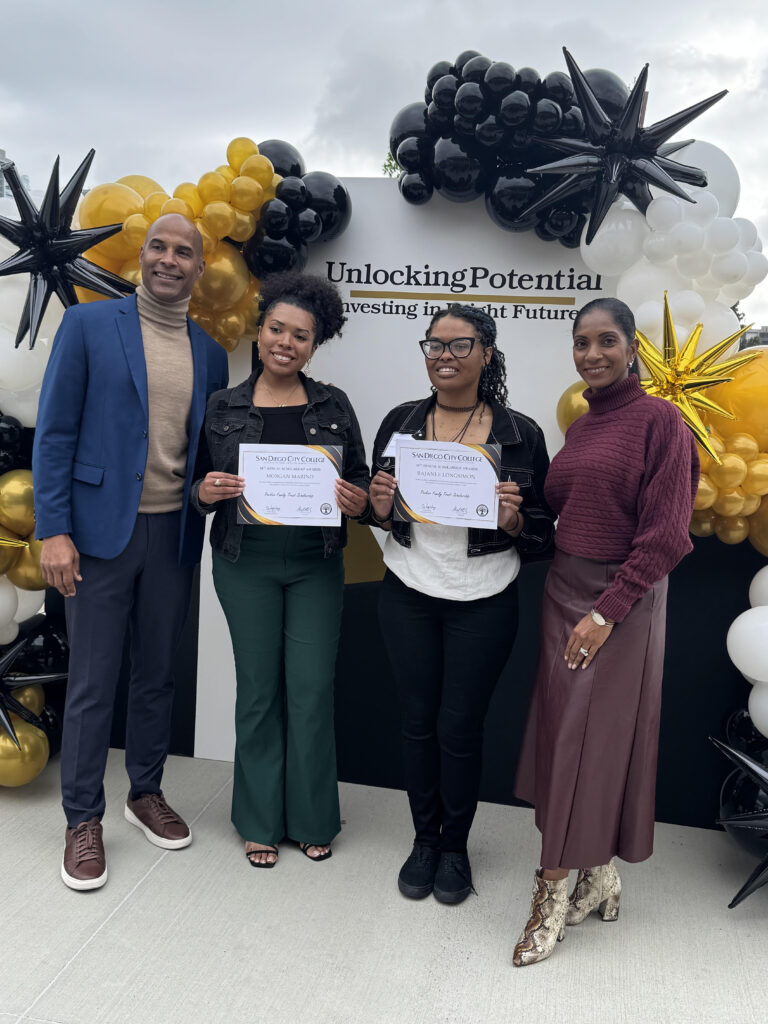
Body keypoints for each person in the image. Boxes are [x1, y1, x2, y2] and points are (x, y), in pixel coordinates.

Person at [32, 214, 229, 890]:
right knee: (93, 680)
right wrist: (53, 530)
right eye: (159, 247)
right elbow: (54, 433)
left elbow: (203, 454)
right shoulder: (88, 325)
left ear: (200, 267)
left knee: (157, 676)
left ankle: (145, 792)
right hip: (97, 536)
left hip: (173, 534)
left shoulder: (210, 353)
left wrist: (208, 492)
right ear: (141, 255)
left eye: (184, 252)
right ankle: (82, 819)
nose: (170, 259)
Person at [511, 297, 700, 966]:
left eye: (606, 340)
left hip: (620, 601)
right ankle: (599, 877)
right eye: (581, 342)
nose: (592, 353)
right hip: (563, 590)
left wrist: (606, 611)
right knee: (568, 740)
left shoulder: (661, 422)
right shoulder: (586, 425)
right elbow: (568, 506)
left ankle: (551, 895)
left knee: (583, 742)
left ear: (632, 348)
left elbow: (667, 537)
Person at [367, 304, 555, 904]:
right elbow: (379, 511)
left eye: (459, 345)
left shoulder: (520, 433)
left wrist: (513, 520)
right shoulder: (400, 421)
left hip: (484, 598)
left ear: (486, 353)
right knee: (417, 723)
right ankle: (424, 841)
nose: (444, 356)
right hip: (408, 592)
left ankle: (455, 847)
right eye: (434, 345)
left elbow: (543, 534)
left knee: (459, 729)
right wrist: (377, 507)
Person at [192, 271, 369, 868]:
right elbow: (196, 482)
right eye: (277, 329)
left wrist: (357, 499)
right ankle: (259, 819)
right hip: (245, 563)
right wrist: (205, 492)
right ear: (260, 329)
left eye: (301, 335)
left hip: (316, 562)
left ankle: (314, 817)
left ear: (316, 344)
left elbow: (359, 479)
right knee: (259, 691)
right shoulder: (223, 405)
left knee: (312, 690)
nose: (285, 343)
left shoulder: (333, 404)